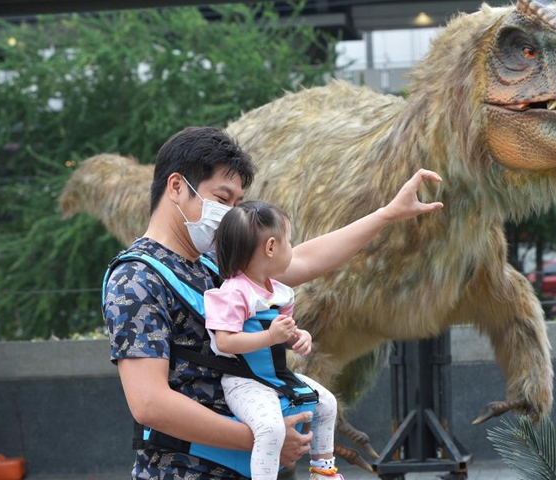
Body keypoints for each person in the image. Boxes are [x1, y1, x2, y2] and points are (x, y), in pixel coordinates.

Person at [102, 126, 443, 480]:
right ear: (176, 187)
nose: (231, 214)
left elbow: (304, 260)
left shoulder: (216, 263)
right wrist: (262, 438)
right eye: (222, 199)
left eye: (237, 203)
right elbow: (149, 403)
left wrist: (387, 214)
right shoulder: (136, 279)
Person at [205, 201, 341, 480]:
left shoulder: (279, 292)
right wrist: (270, 336)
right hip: (244, 382)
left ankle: (323, 471)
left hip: (276, 376)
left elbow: (283, 333)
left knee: (326, 403)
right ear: (270, 247)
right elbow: (225, 342)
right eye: (289, 242)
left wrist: (298, 337)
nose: (292, 249)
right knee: (271, 428)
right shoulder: (234, 293)